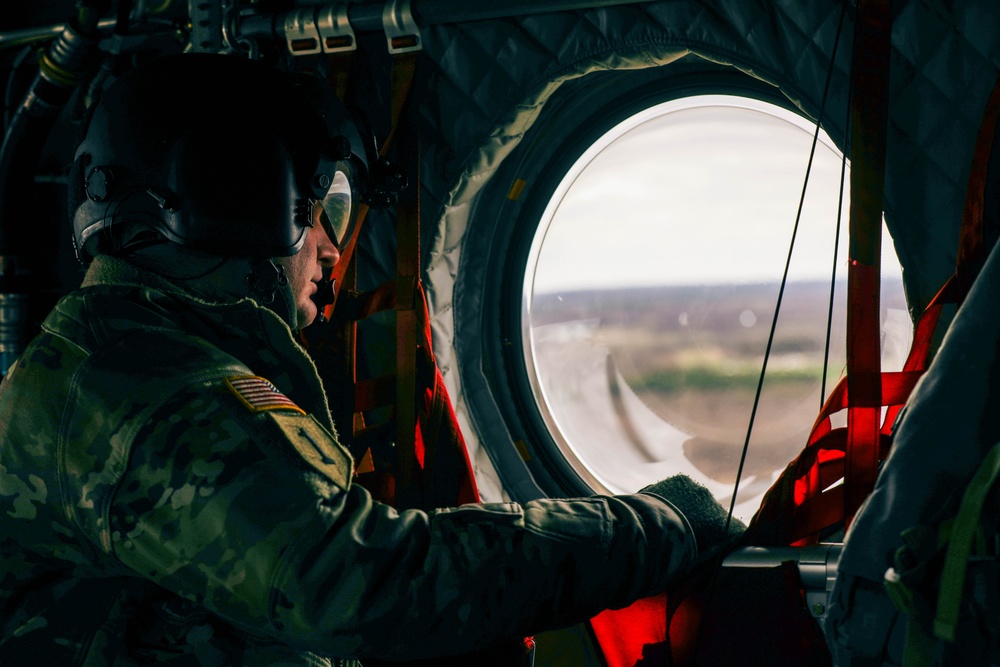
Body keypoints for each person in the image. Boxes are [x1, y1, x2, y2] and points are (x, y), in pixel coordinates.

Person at [0, 52, 744, 665]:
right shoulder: (149, 395)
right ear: (240, 194)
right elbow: (363, 586)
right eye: (323, 208)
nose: (331, 247)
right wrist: (659, 525)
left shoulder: (128, 359)